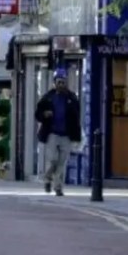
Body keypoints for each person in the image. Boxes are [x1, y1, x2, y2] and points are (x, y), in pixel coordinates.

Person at [34, 69, 81, 197]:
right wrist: (44, 114)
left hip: (66, 135)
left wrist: (77, 136)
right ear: (54, 83)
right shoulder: (48, 97)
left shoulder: (72, 98)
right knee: (53, 160)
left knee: (61, 163)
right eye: (59, 82)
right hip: (52, 134)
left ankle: (58, 187)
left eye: (63, 82)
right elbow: (37, 114)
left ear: (66, 82)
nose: (61, 84)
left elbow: (77, 117)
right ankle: (48, 179)